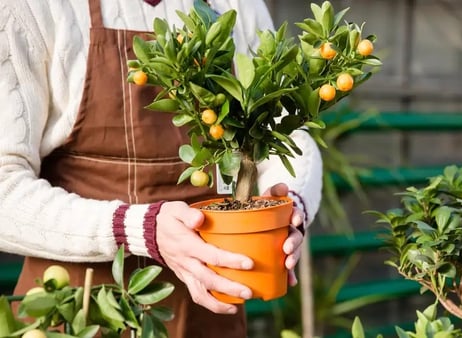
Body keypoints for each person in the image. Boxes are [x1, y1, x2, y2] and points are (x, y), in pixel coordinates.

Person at [0, 0, 323, 337]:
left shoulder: (236, 5)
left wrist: (290, 207)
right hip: (78, 308)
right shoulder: (33, 7)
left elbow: (287, 128)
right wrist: (139, 228)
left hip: (209, 314)